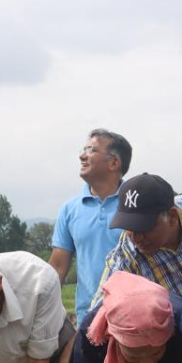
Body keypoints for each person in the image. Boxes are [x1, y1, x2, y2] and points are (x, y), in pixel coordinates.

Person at [97, 172, 182, 297]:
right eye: (129, 228)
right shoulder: (127, 252)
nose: (137, 238)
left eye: (144, 227)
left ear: (172, 217)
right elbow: (103, 304)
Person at [48, 129, 130, 320]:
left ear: (113, 163)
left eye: (91, 150)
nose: (82, 156)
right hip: (88, 317)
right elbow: (58, 268)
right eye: (83, 149)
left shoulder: (135, 205)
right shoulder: (70, 210)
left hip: (132, 316)